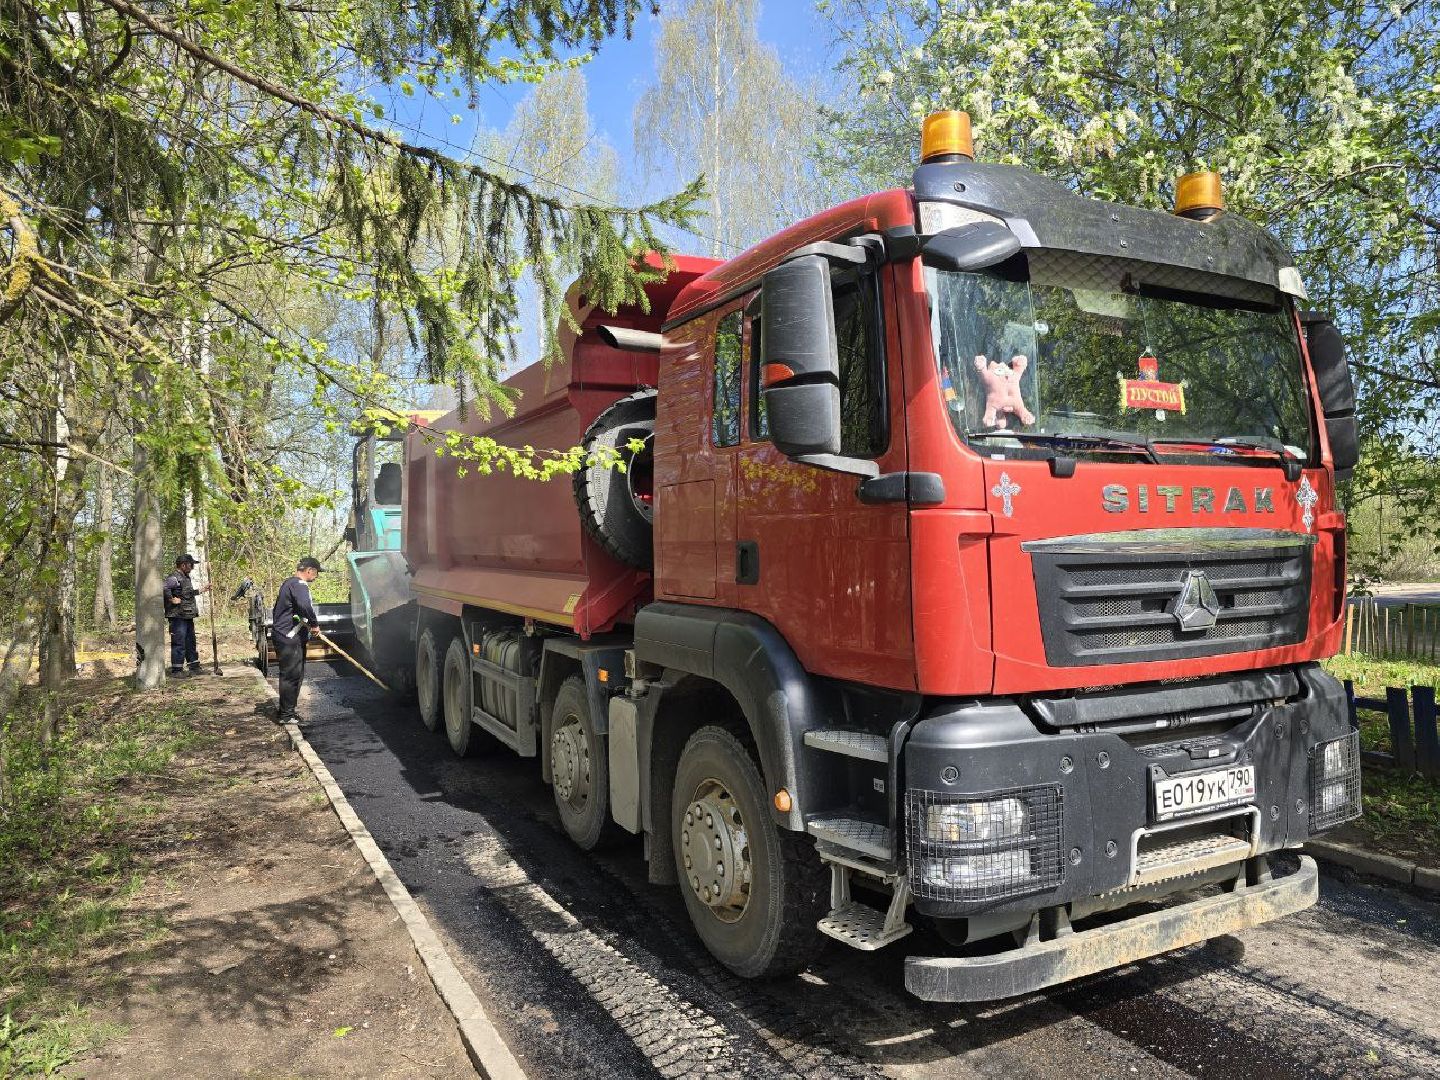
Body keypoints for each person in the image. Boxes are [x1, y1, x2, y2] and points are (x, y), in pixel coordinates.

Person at [272, 557, 322, 723]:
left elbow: (296, 609)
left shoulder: (289, 583)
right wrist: (314, 624)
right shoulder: (299, 585)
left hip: (287, 635)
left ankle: (288, 712)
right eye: (316, 573)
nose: (316, 577)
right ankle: (286, 716)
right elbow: (304, 605)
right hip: (289, 637)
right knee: (291, 675)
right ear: (309, 570)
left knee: (295, 675)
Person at [163, 554, 210, 677]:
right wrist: (171, 599)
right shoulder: (174, 578)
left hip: (187, 615)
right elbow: (164, 587)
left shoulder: (185, 578)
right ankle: (177, 670)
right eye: (191, 565)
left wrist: (202, 590)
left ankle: (194, 667)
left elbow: (187, 594)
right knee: (179, 642)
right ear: (183, 565)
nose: (192, 567)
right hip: (177, 616)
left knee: (190, 641)